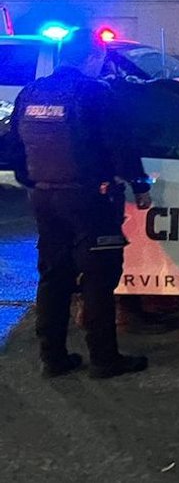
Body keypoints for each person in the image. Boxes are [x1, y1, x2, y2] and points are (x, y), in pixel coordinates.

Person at [6, 28, 151, 379]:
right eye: (100, 58)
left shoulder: (31, 92)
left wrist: (34, 183)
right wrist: (139, 185)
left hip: (44, 197)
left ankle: (52, 358)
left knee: (53, 277)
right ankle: (104, 359)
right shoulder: (95, 93)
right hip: (89, 199)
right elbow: (120, 145)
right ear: (92, 57)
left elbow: (12, 147)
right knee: (99, 278)